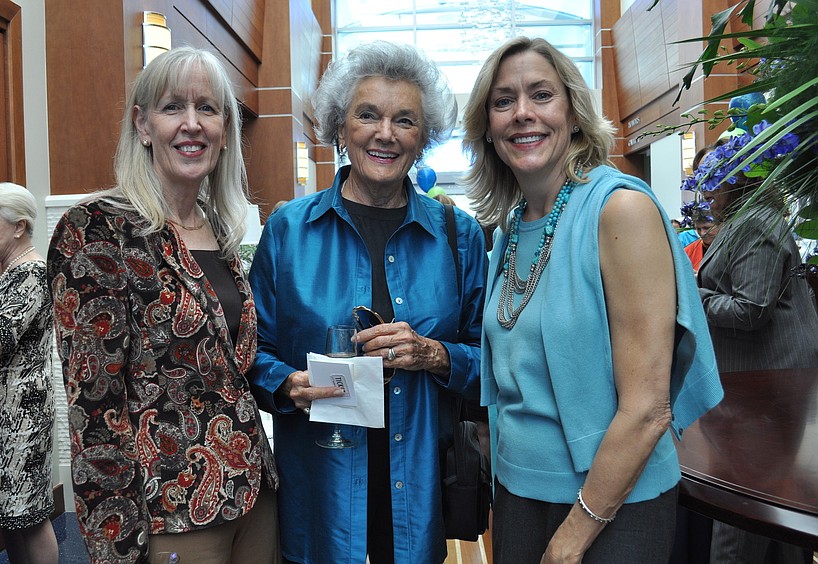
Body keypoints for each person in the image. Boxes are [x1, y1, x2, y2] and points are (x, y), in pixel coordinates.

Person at [461, 37, 722, 563]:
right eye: (503, 101)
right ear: (487, 127)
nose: (523, 114)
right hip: (518, 495)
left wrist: (575, 533)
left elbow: (648, 408)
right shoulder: (511, 226)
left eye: (541, 95)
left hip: (612, 504)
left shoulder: (619, 210)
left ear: (574, 114)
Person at [249, 41, 487, 563]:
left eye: (405, 120)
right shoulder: (289, 231)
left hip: (418, 491)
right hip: (320, 491)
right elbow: (250, 353)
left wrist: (435, 355)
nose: (385, 133)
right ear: (340, 128)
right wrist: (286, 385)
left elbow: (493, 358)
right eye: (367, 115)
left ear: (423, 139)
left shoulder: (458, 235)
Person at [46, 47, 278, 563]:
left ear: (226, 130)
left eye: (208, 109)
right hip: (169, 511)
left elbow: (225, 368)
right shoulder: (96, 231)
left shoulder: (219, 229)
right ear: (143, 124)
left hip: (256, 496)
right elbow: (95, 414)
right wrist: (116, 548)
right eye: (174, 107)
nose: (192, 125)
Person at [692, 137, 818, 564]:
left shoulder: (757, 223)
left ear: (741, 177)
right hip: (763, 383)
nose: (704, 186)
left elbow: (750, 310)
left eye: (714, 176)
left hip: (769, 387)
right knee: (775, 504)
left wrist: (694, 296)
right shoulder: (743, 222)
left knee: (742, 508)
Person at [0, 182, 58, 564]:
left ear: (19, 226)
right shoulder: (10, 272)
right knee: (10, 515)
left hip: (20, 417)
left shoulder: (33, 272)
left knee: (29, 515)